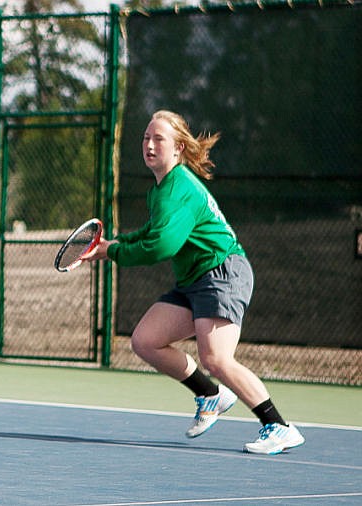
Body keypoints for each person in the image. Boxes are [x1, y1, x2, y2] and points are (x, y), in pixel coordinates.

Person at [83, 110, 304, 455]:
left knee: (216, 357)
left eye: (159, 139)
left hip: (222, 272)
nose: (150, 145)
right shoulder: (159, 190)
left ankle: (278, 425)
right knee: (146, 340)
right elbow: (151, 233)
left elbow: (161, 245)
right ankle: (209, 394)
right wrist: (112, 245)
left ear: (179, 149)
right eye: (146, 138)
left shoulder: (179, 188)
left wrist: (114, 253)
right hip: (193, 278)